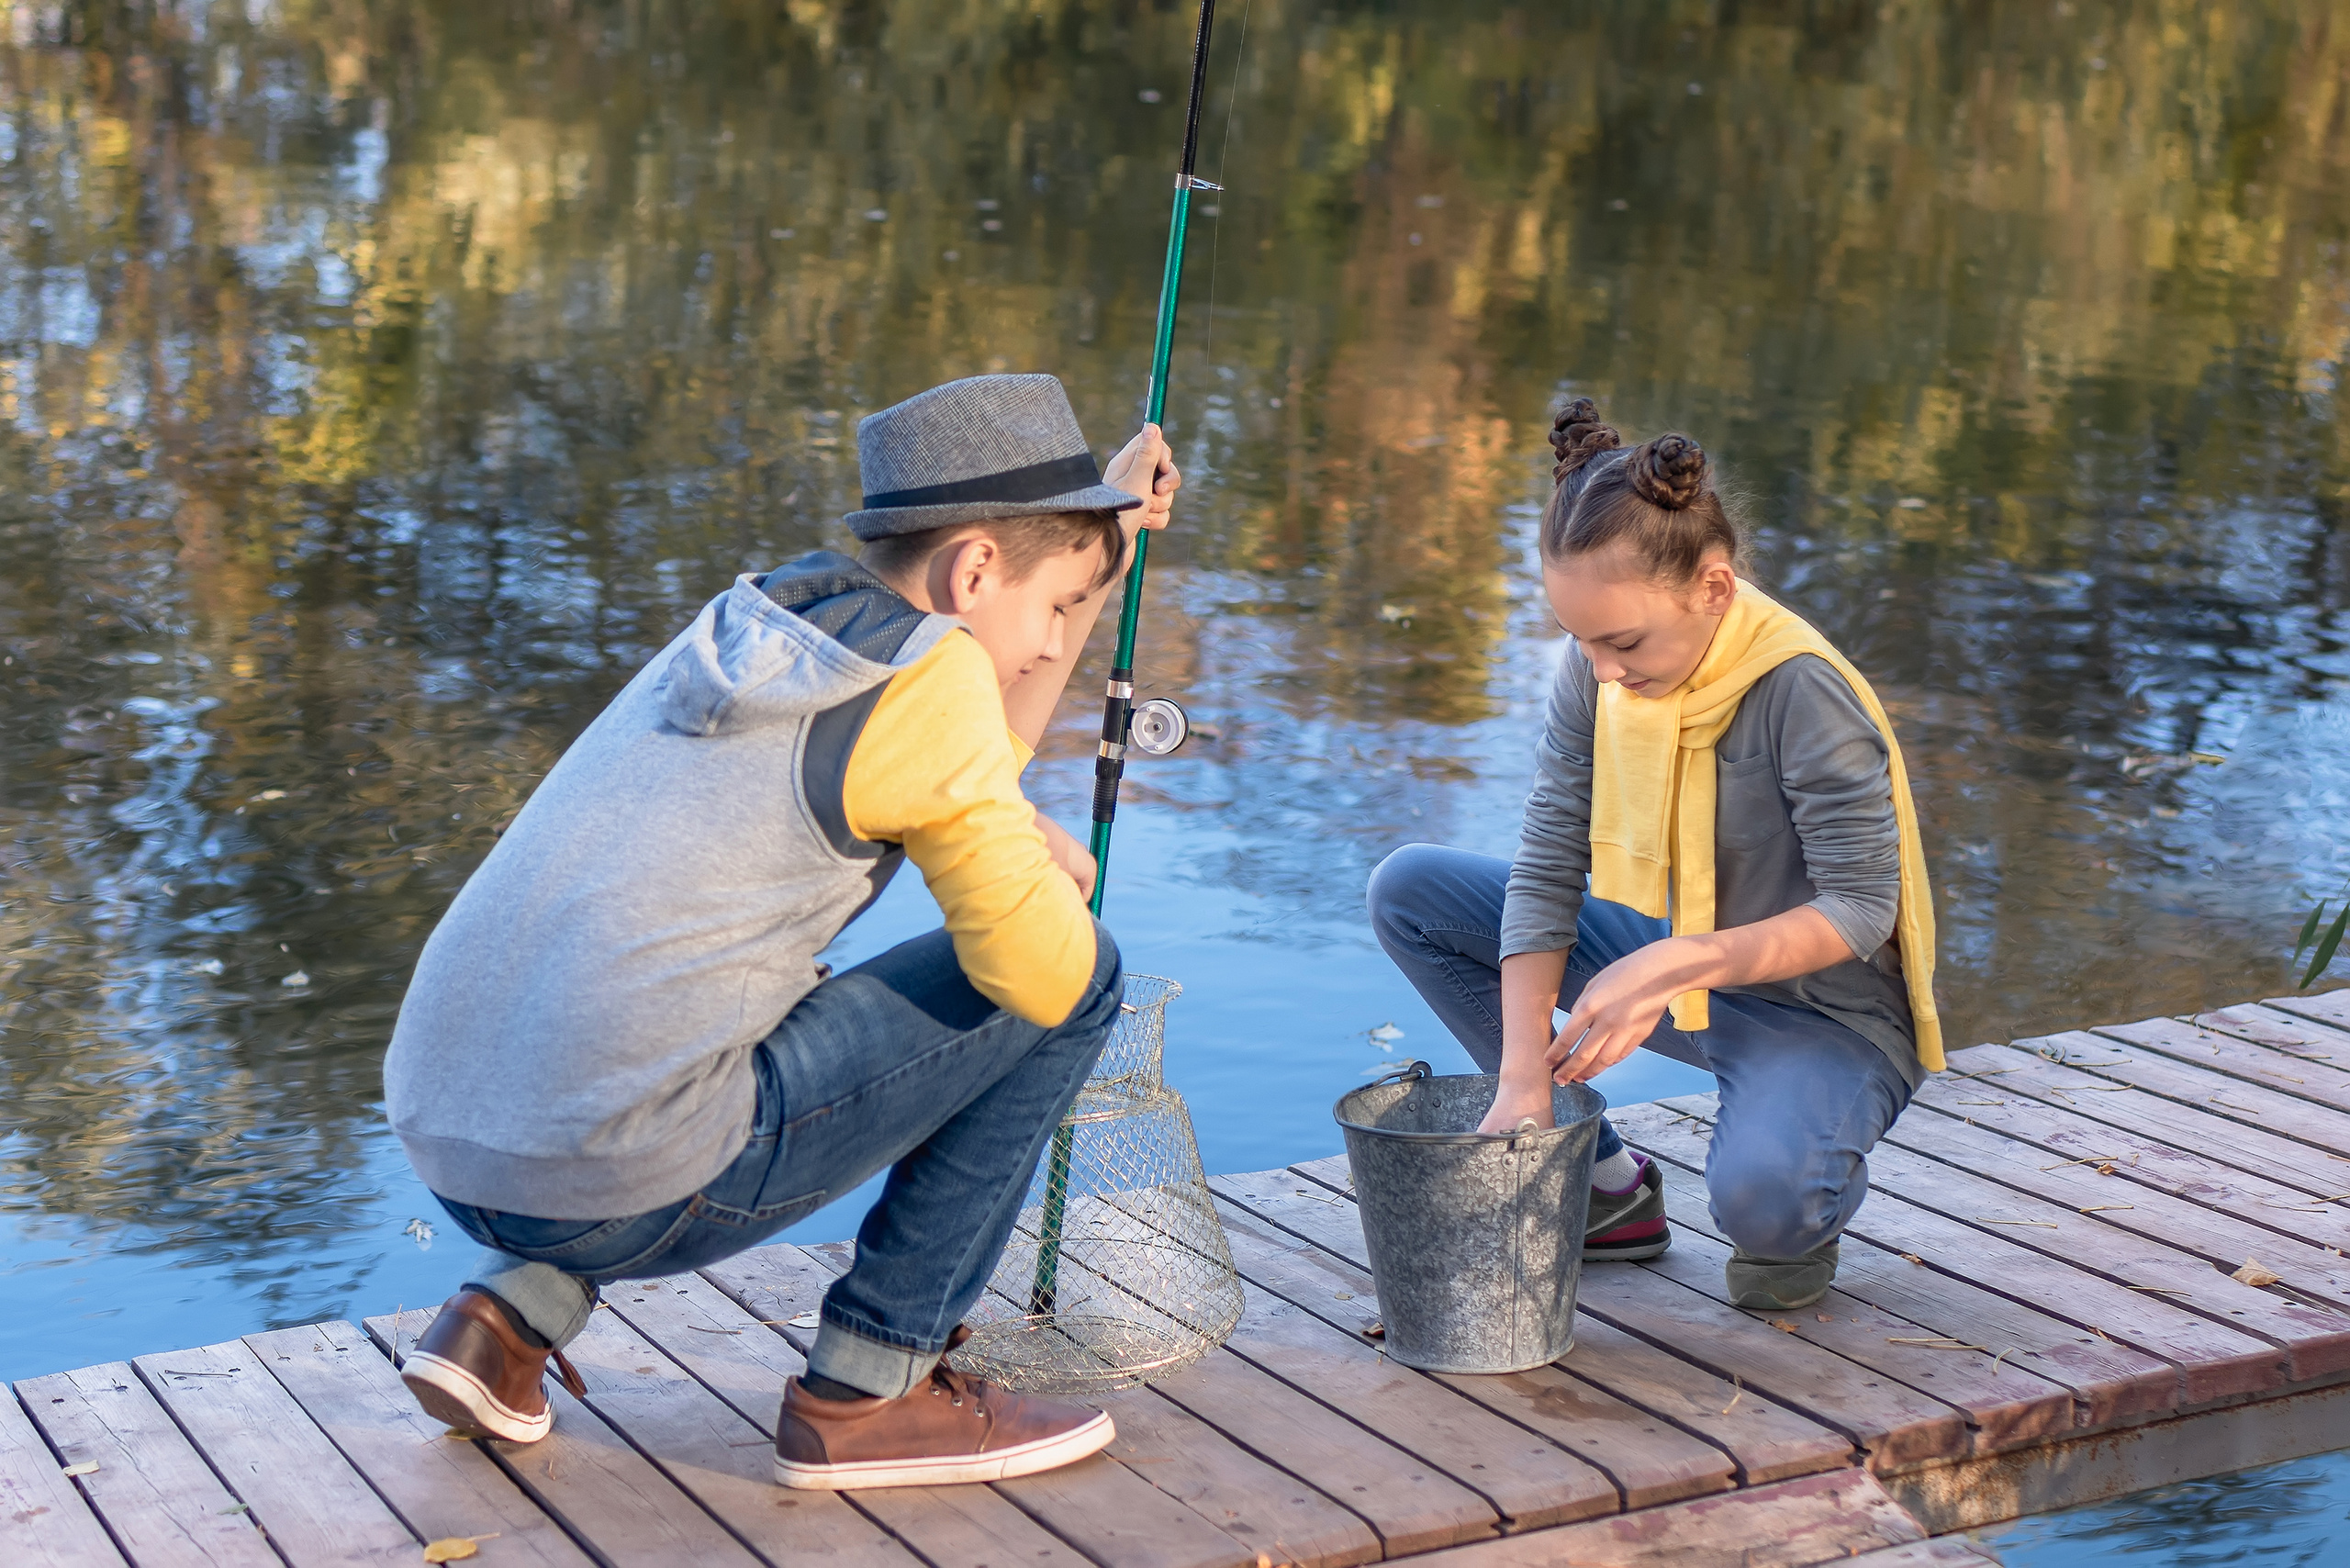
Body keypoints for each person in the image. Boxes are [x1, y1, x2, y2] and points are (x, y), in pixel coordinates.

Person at [382, 373, 1179, 1489]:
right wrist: (1031, 869)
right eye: (1053, 611)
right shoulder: (931, 675)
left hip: (451, 1134)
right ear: (976, 569)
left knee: (685, 994)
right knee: (1085, 974)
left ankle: (504, 1318)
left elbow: (967, 759)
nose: (1053, 649)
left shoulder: (776, 623)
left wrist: (1099, 553)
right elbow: (1038, 977)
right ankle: (873, 1388)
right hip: (630, 1180)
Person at [1367, 398, 1940, 1312]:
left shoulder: (1801, 691)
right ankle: (1602, 1189)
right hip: (1679, 958)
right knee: (1412, 892)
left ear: (1713, 589)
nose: (1599, 671)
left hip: (1820, 1009)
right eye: (1579, 640)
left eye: (1621, 641)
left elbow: (1863, 907)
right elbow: (1549, 860)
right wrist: (1522, 1078)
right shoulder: (1601, 669)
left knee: (1762, 1215)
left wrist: (1681, 957)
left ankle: (1799, 1182)